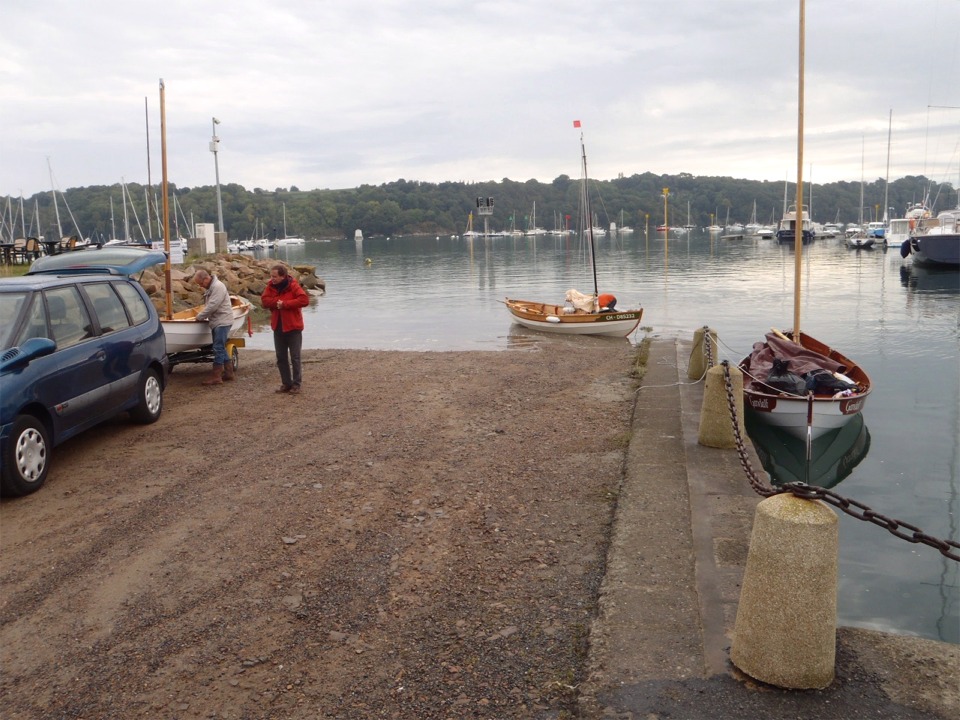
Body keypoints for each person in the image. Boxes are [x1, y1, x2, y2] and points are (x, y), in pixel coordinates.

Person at [261, 264, 309, 394]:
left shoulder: (293, 285)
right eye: (271, 276)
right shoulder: (271, 286)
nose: (272, 279)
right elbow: (264, 301)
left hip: (293, 327)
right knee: (281, 357)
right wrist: (279, 303)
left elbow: (304, 300)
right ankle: (286, 383)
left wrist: (285, 304)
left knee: (295, 357)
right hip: (278, 327)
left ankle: (296, 384)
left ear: (283, 276)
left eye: (275, 276)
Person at [193, 268, 235, 386]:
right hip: (218, 321)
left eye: (201, 283)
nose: (201, 286)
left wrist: (199, 317)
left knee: (217, 347)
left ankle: (217, 376)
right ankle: (229, 373)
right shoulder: (212, 287)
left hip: (222, 321)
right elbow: (211, 305)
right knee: (220, 347)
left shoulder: (218, 287)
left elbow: (213, 305)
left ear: (206, 278)